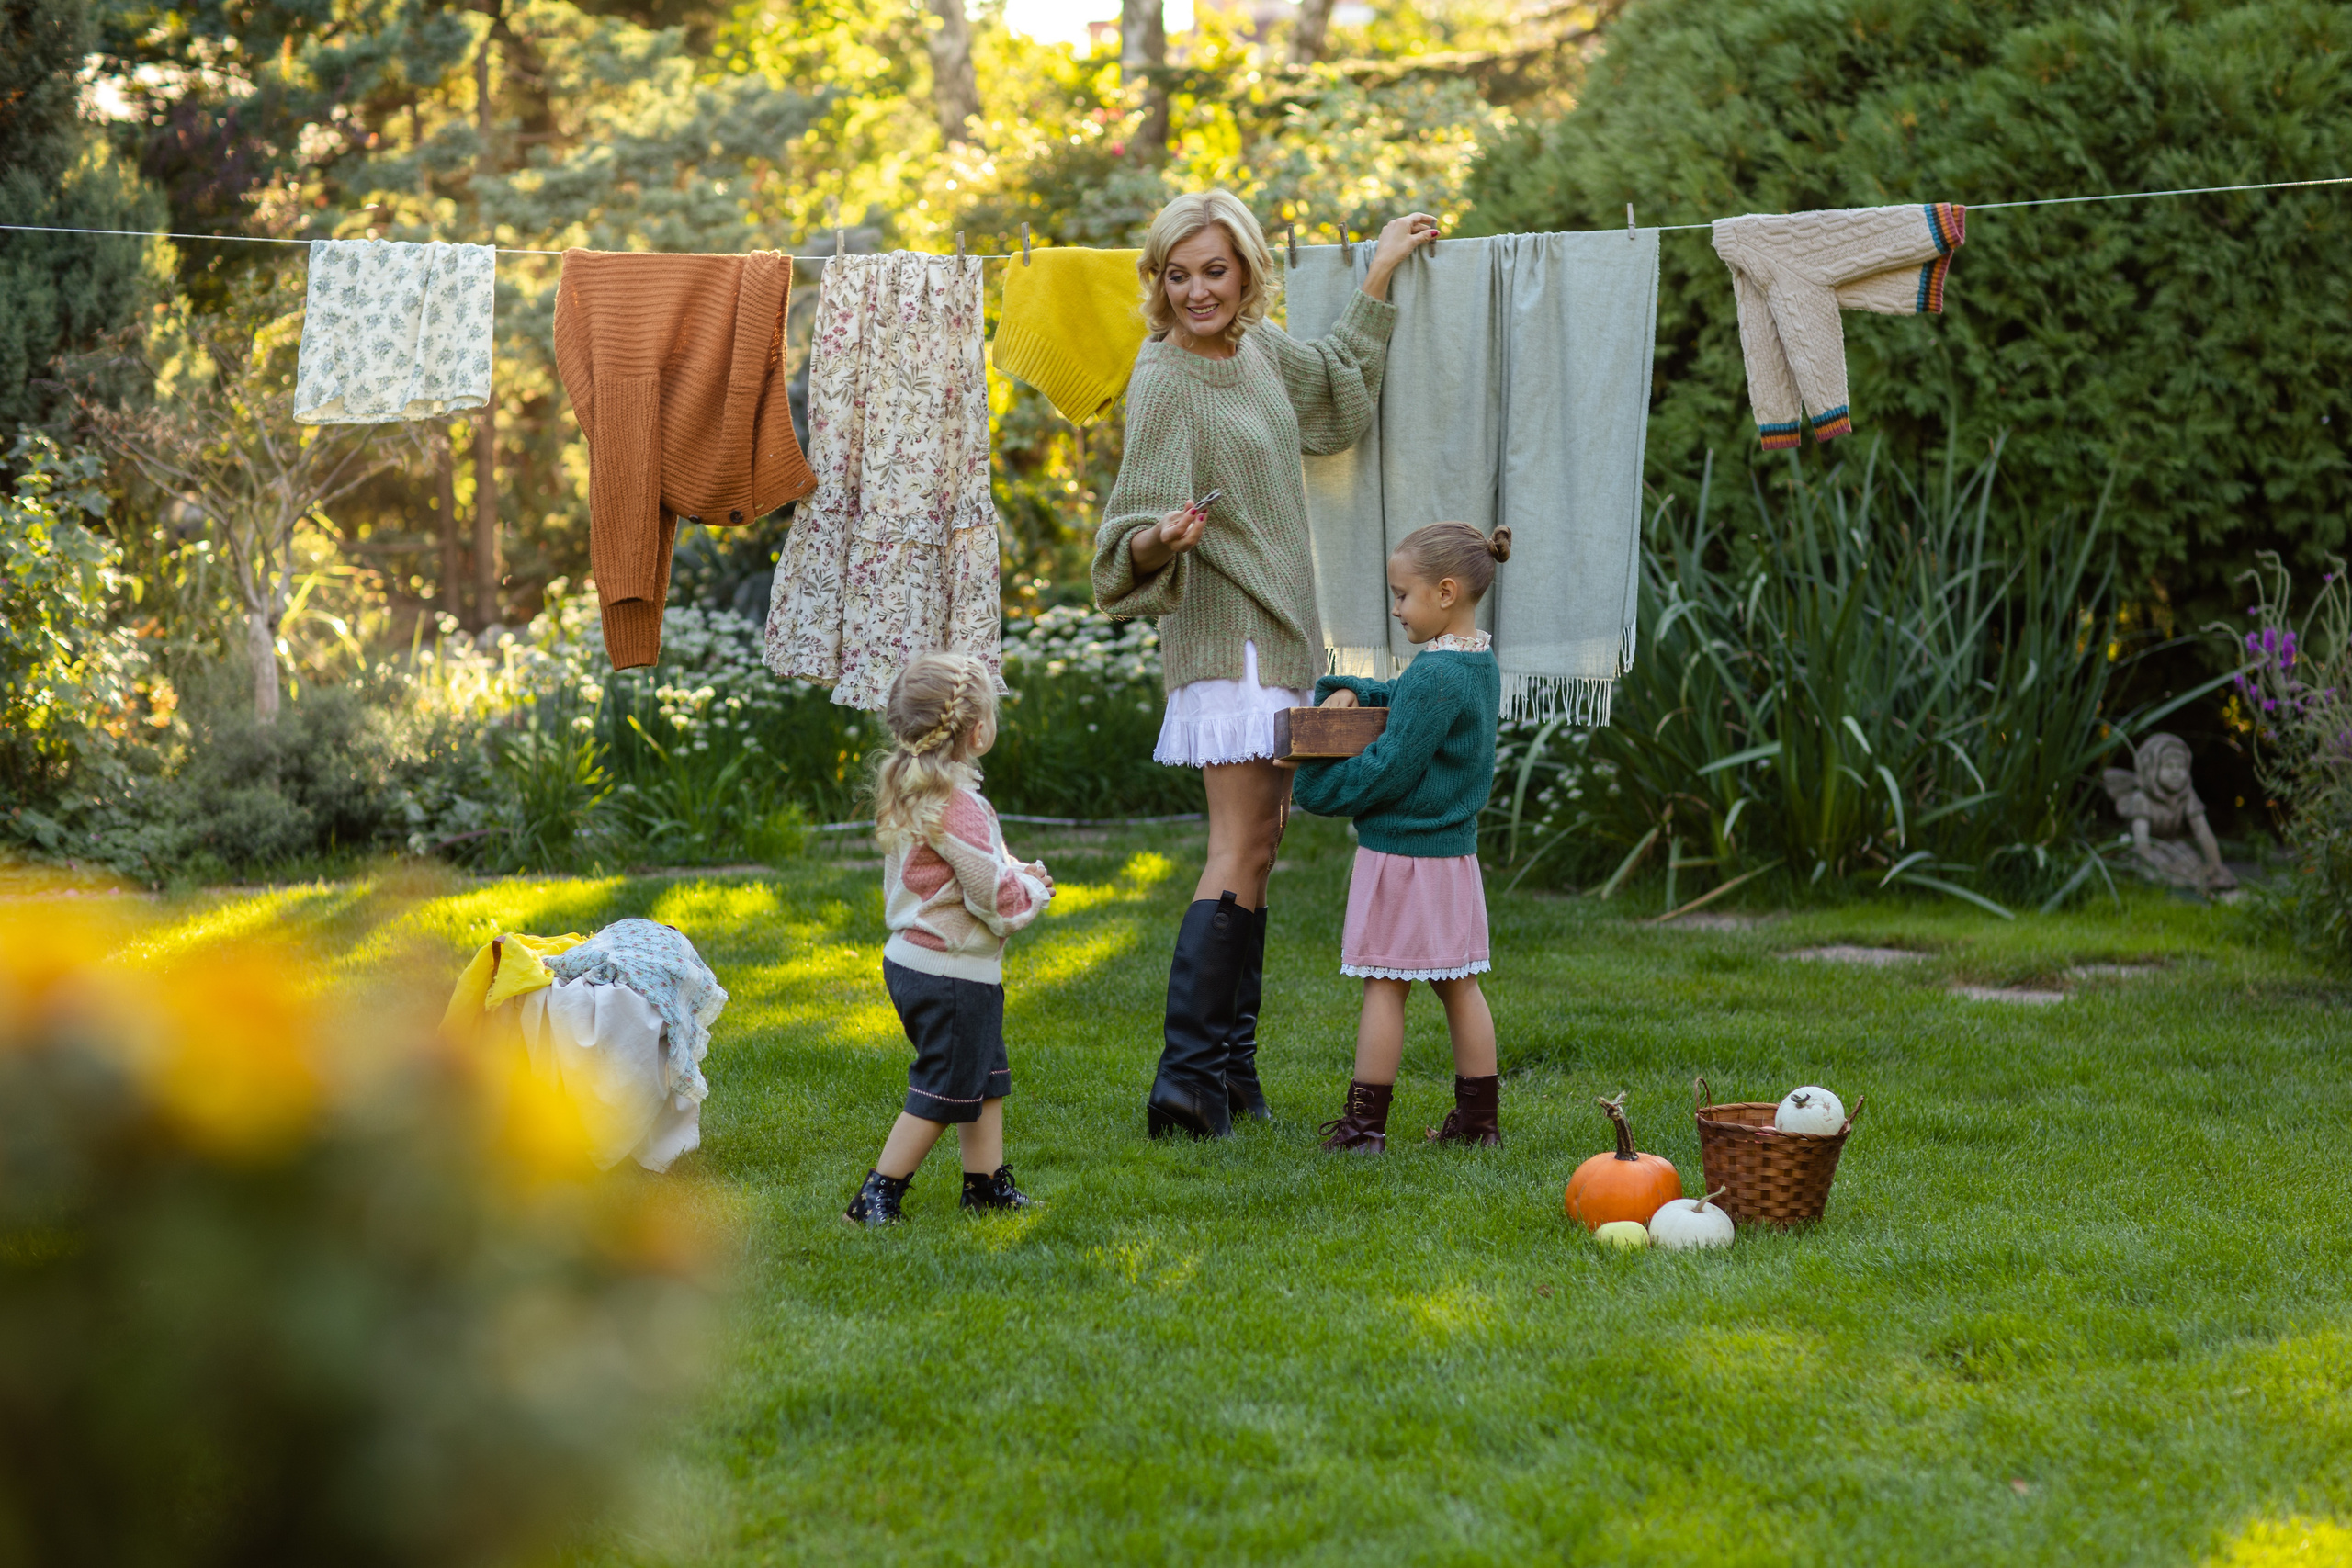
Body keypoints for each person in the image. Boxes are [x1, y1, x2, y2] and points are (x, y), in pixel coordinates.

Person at [1092, 188, 1439, 1140]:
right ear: (1158, 284)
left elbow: (1334, 396)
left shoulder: (1256, 351)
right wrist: (1161, 537)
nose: (1197, 290)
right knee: (1237, 847)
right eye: (1178, 274)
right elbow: (1124, 536)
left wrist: (1377, 272)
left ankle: (1230, 1073)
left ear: (1244, 272)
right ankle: (1185, 1083)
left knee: (1265, 847)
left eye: (1213, 270)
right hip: (1226, 640)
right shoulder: (1164, 377)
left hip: (1280, 638)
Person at [1288, 522, 1509, 1153]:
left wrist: (1313, 787)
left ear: (1444, 592)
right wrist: (1355, 688)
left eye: (1402, 594)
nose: (1395, 607)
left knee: (1384, 984)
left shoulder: (1435, 675)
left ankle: (1362, 1131)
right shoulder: (1473, 662)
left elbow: (1391, 765)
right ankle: (1478, 1122)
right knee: (1459, 983)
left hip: (1404, 856)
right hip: (1452, 857)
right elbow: (1403, 702)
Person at [843, 652, 1055, 1224]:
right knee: (945, 1085)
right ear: (978, 730)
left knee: (984, 1075)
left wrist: (1016, 870)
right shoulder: (960, 805)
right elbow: (993, 896)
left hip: (921, 964)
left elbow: (978, 864)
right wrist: (1033, 891)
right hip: (950, 971)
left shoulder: (919, 790)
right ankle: (876, 1196)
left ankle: (985, 1186)